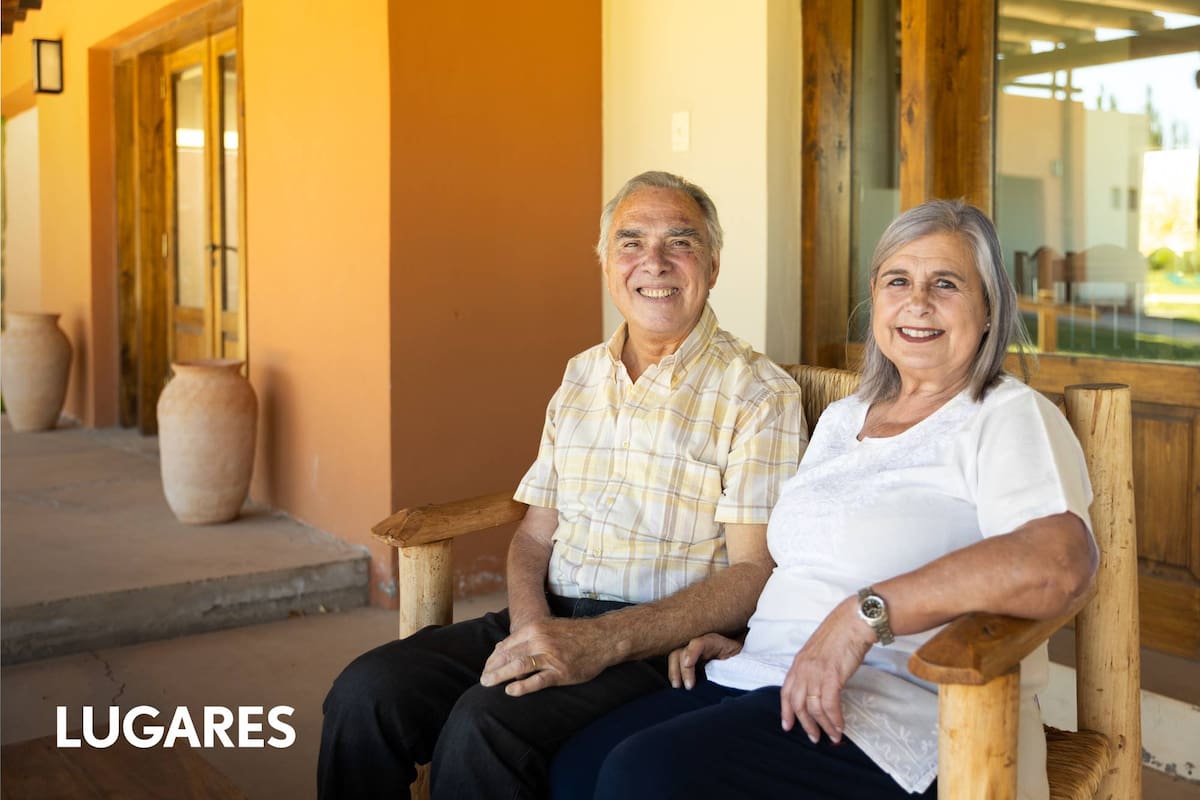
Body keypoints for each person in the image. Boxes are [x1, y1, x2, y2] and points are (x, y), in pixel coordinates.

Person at [550, 198, 1099, 800]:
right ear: (876, 300)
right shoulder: (844, 419)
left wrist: (862, 618)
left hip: (902, 710)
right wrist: (762, 638)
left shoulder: (1006, 415)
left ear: (989, 309)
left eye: (946, 283)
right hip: (769, 675)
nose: (918, 301)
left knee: (645, 775)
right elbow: (814, 560)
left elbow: (1059, 563)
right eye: (899, 281)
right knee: (576, 766)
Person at [317, 171, 807, 799]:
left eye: (679, 242)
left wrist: (600, 640)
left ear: (711, 263)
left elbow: (753, 571)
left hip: (656, 646)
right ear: (606, 262)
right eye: (630, 242)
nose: (652, 261)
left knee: (484, 725)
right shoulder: (581, 376)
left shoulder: (757, 393)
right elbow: (535, 535)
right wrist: (531, 630)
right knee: (366, 693)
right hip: (545, 614)